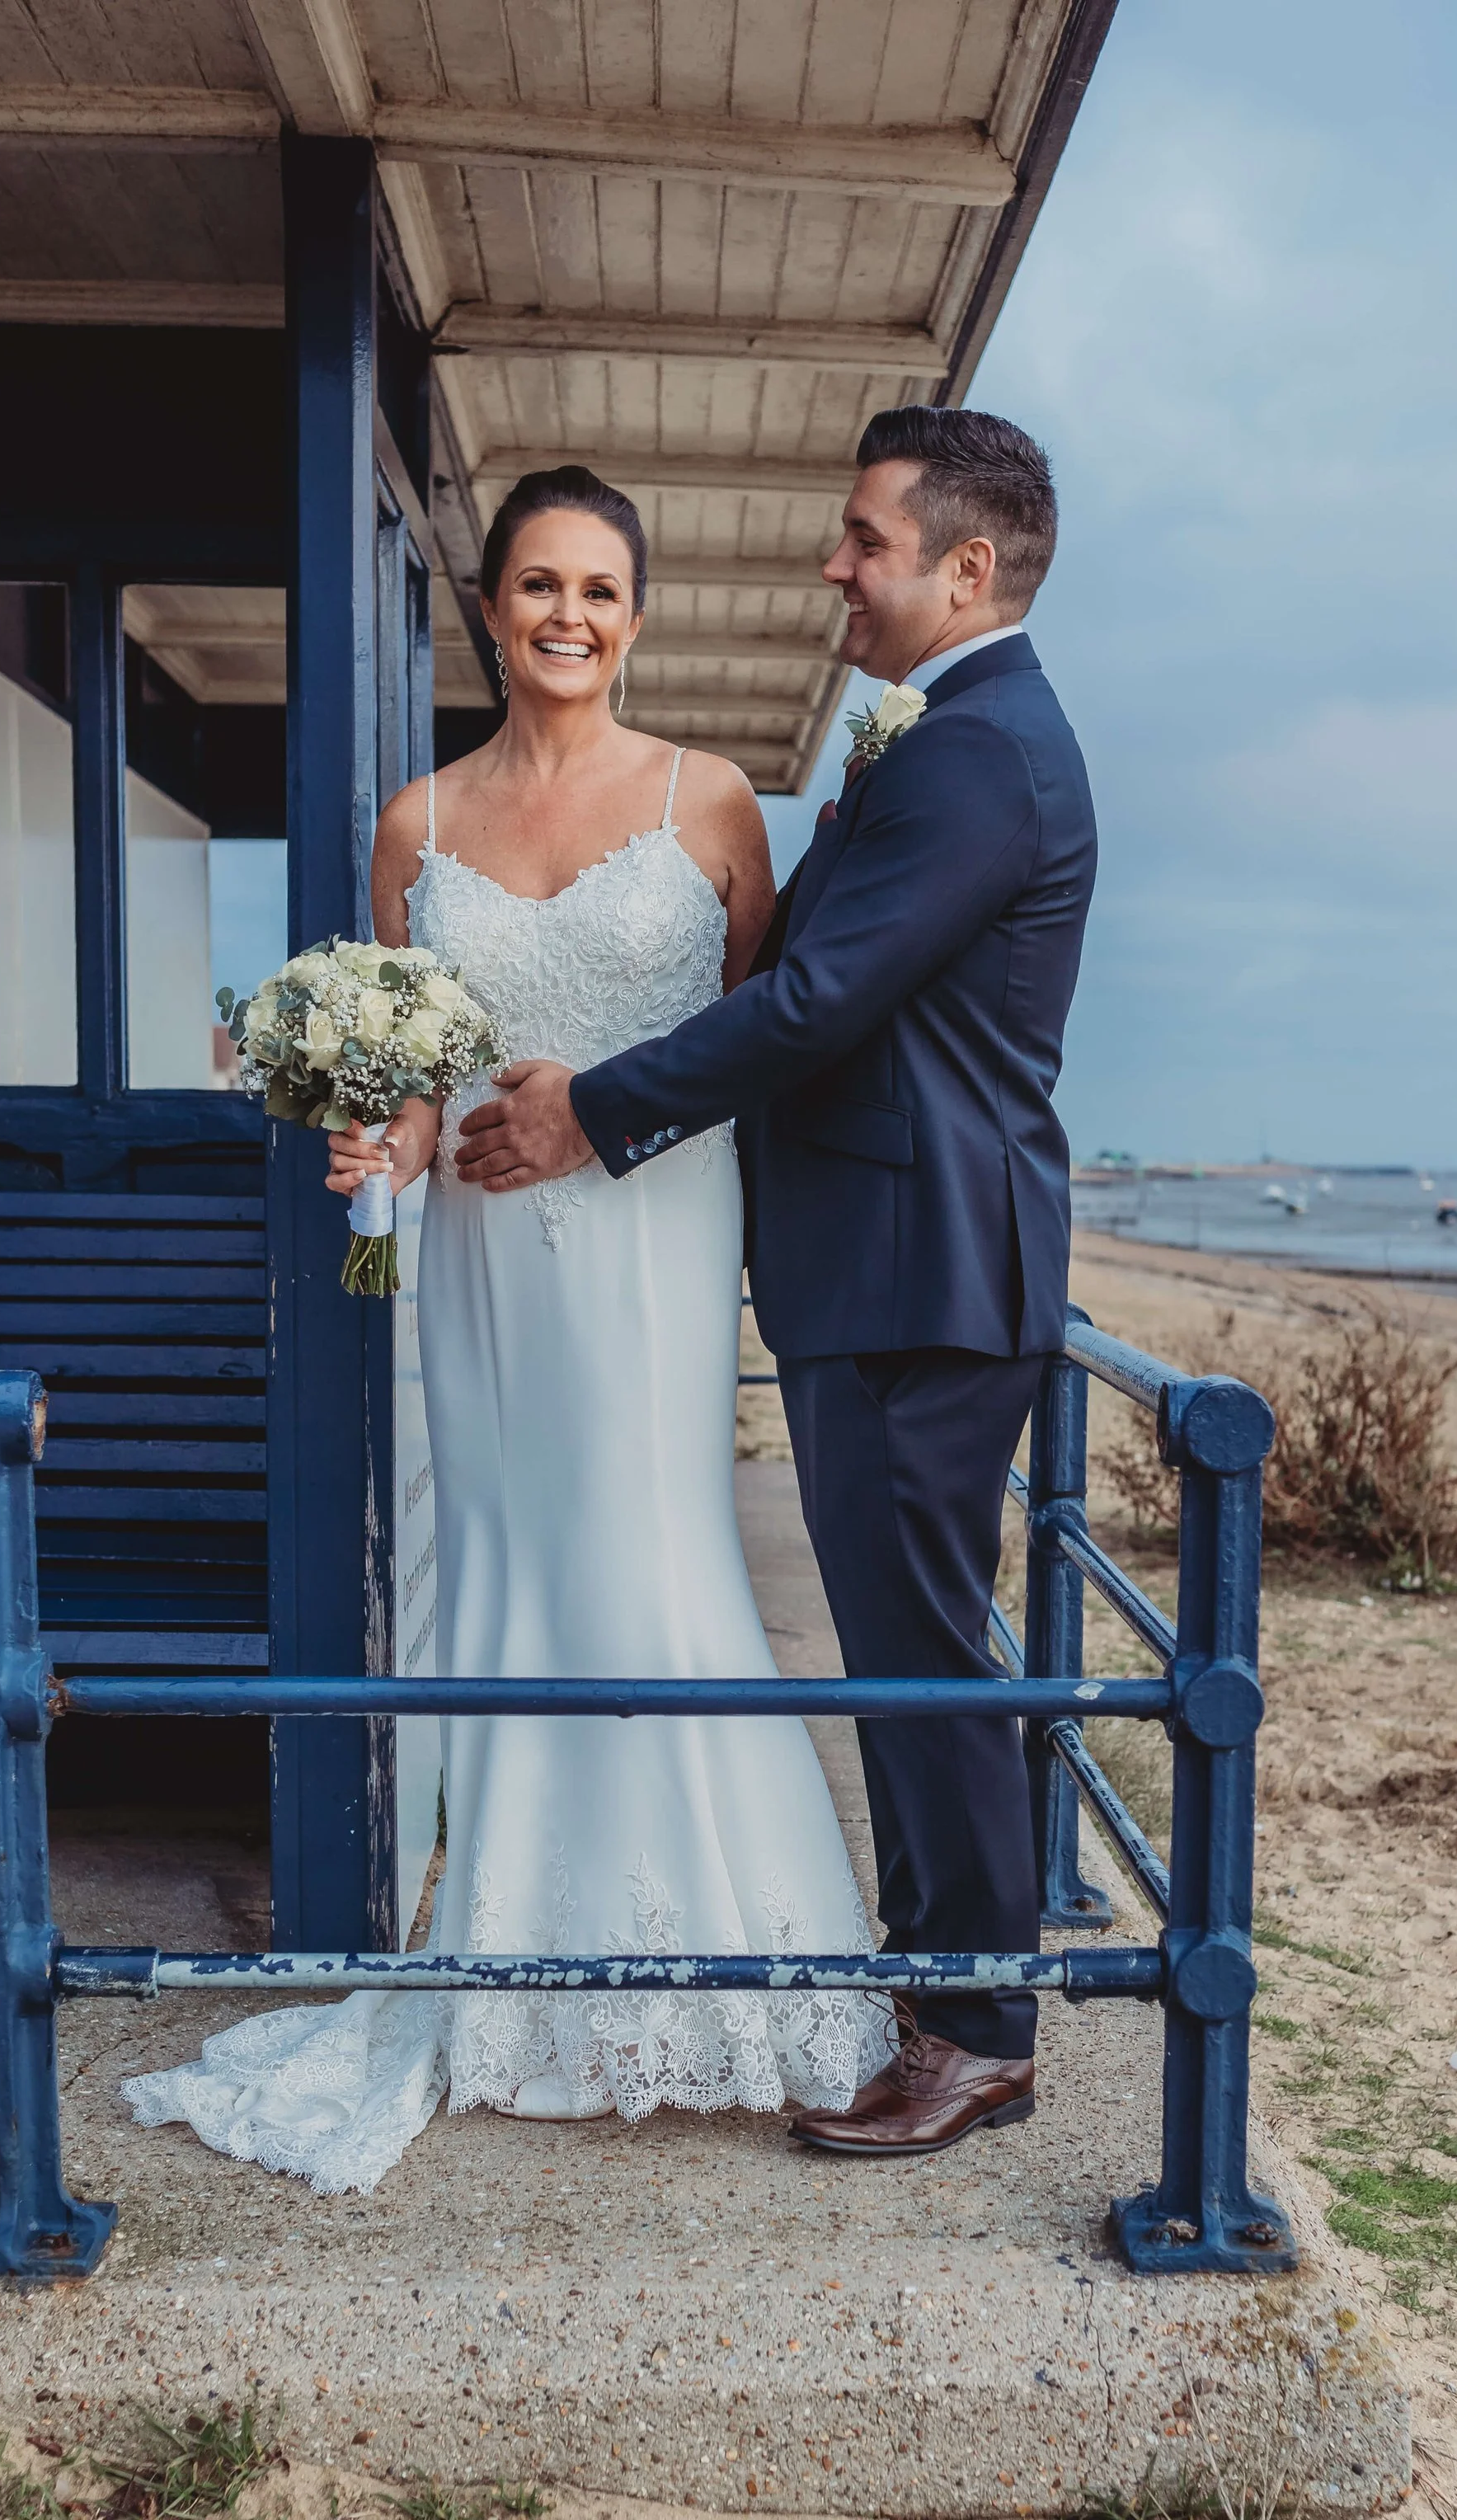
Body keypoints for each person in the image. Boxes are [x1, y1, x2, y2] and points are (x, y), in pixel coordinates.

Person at [125, 468, 891, 2193]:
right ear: (488, 606)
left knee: (647, 1549)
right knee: (504, 1563)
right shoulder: (413, 823)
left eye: (600, 590)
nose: (568, 616)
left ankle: (704, 1969)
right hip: (472, 1254)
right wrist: (378, 1140)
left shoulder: (709, 807)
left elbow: (760, 1039)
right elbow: (422, 1072)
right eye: (539, 585)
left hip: (649, 1240)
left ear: (636, 612)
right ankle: (505, 1974)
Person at [459, 407, 1097, 2158]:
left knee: (924, 1662)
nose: (833, 565)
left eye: (862, 539)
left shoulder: (978, 756)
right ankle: (945, 1989)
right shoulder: (950, 738)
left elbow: (816, 1004)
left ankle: (975, 2026)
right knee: (905, 1651)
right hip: (889, 1265)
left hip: (920, 1270)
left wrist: (592, 1105)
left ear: (964, 567)